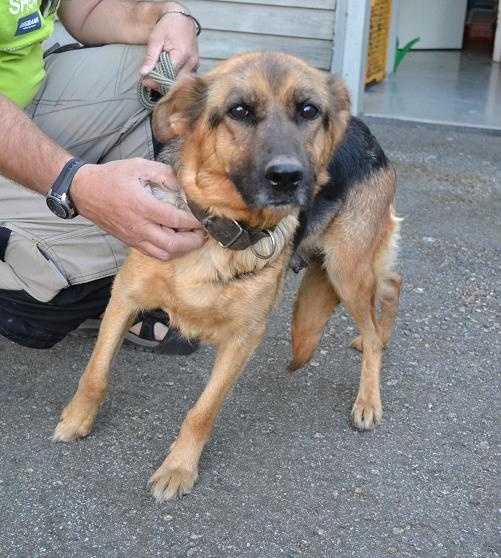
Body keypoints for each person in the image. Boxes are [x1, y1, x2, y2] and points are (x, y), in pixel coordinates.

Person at [0, 0, 206, 353]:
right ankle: (65, 279)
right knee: (99, 252)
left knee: (156, 68)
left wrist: (168, 15)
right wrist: (75, 184)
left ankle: (107, 278)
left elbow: (88, 10)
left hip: (20, 100)